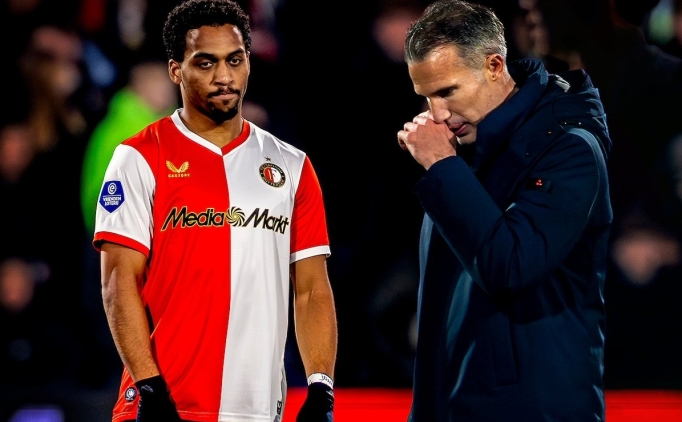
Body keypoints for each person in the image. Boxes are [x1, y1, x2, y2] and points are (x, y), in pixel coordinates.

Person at [92, 1, 337, 421]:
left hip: (260, 409)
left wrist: (321, 387)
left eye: (235, 60)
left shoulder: (293, 166)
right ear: (176, 70)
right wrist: (149, 386)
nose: (224, 76)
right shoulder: (139, 157)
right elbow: (118, 282)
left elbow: (312, 288)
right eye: (206, 63)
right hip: (165, 406)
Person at [396, 1, 612, 421]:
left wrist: (442, 165)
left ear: (495, 66)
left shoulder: (570, 148)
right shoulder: (466, 149)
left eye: (447, 92)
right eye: (425, 97)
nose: (436, 114)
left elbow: (508, 266)